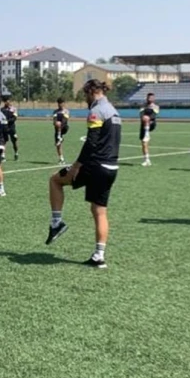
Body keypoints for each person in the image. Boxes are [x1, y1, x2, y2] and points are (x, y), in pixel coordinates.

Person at [46, 79, 121, 268]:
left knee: (55, 180)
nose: (85, 99)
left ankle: (56, 223)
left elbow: (91, 143)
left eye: (85, 95)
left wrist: (76, 166)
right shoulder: (114, 111)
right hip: (112, 167)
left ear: (92, 92)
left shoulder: (97, 111)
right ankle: (99, 256)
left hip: (95, 166)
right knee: (99, 211)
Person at [139, 93, 159, 167]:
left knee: (147, 118)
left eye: (151, 98)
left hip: (151, 124)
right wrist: (144, 118)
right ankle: (147, 160)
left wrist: (148, 119)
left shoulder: (156, 107)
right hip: (143, 125)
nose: (150, 99)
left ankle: (147, 132)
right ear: (146, 98)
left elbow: (154, 115)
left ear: (154, 99)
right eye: (149, 98)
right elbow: (141, 114)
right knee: (144, 143)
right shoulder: (143, 106)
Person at [1, 96, 19, 161]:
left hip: (11, 128)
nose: (7, 102)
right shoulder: (2, 110)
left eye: (8, 101)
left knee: (14, 141)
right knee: (3, 141)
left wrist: (8, 121)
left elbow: (14, 118)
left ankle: (16, 152)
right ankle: (3, 156)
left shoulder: (13, 109)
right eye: (6, 101)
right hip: (4, 127)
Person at [53, 98, 70, 164]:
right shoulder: (55, 111)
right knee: (58, 144)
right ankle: (61, 158)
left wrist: (59, 124)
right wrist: (56, 123)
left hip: (64, 128)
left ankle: (60, 137)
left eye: (61, 103)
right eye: (58, 103)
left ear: (63, 103)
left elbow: (65, 120)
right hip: (57, 129)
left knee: (60, 122)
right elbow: (54, 120)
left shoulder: (66, 111)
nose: (60, 104)